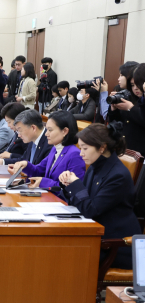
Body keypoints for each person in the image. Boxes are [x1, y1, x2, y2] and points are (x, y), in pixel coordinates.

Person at [60, 124, 141, 269]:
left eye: (85, 148)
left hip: (115, 246)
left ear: (102, 147)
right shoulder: (95, 166)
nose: (81, 153)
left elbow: (90, 209)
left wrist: (75, 185)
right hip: (97, 235)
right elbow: (84, 199)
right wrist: (68, 185)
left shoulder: (118, 175)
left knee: (62, 252)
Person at [9, 111, 85, 194]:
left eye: (50, 130)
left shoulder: (75, 154)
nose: (46, 134)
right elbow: (39, 170)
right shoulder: (55, 149)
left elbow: (73, 190)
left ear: (65, 131)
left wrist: (44, 182)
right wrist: (26, 165)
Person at [106, 62, 145, 155]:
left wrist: (130, 108)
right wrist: (113, 109)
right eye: (132, 85)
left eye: (121, 75)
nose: (135, 88)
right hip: (125, 148)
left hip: (140, 151)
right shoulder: (127, 96)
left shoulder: (141, 100)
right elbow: (116, 122)